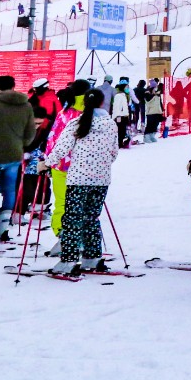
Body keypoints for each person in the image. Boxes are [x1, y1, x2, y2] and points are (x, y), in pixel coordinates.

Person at [39, 87, 119, 276]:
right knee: (91, 218)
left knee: (72, 219)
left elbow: (61, 149)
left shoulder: (76, 123)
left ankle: (69, 259)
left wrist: (46, 163)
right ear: (102, 102)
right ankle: (92, 256)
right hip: (101, 179)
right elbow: (114, 152)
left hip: (78, 179)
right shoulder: (111, 125)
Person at [0, 74, 35, 245]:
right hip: (14, 156)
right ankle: (2, 227)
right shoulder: (26, 106)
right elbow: (31, 132)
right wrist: (20, 144)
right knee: (9, 190)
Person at [140, 78, 165, 143]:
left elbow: (160, 102)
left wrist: (162, 110)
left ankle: (152, 135)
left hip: (157, 111)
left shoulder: (157, 95)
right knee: (150, 125)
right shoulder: (147, 94)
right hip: (150, 112)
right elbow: (148, 101)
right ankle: (146, 136)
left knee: (155, 124)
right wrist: (153, 94)